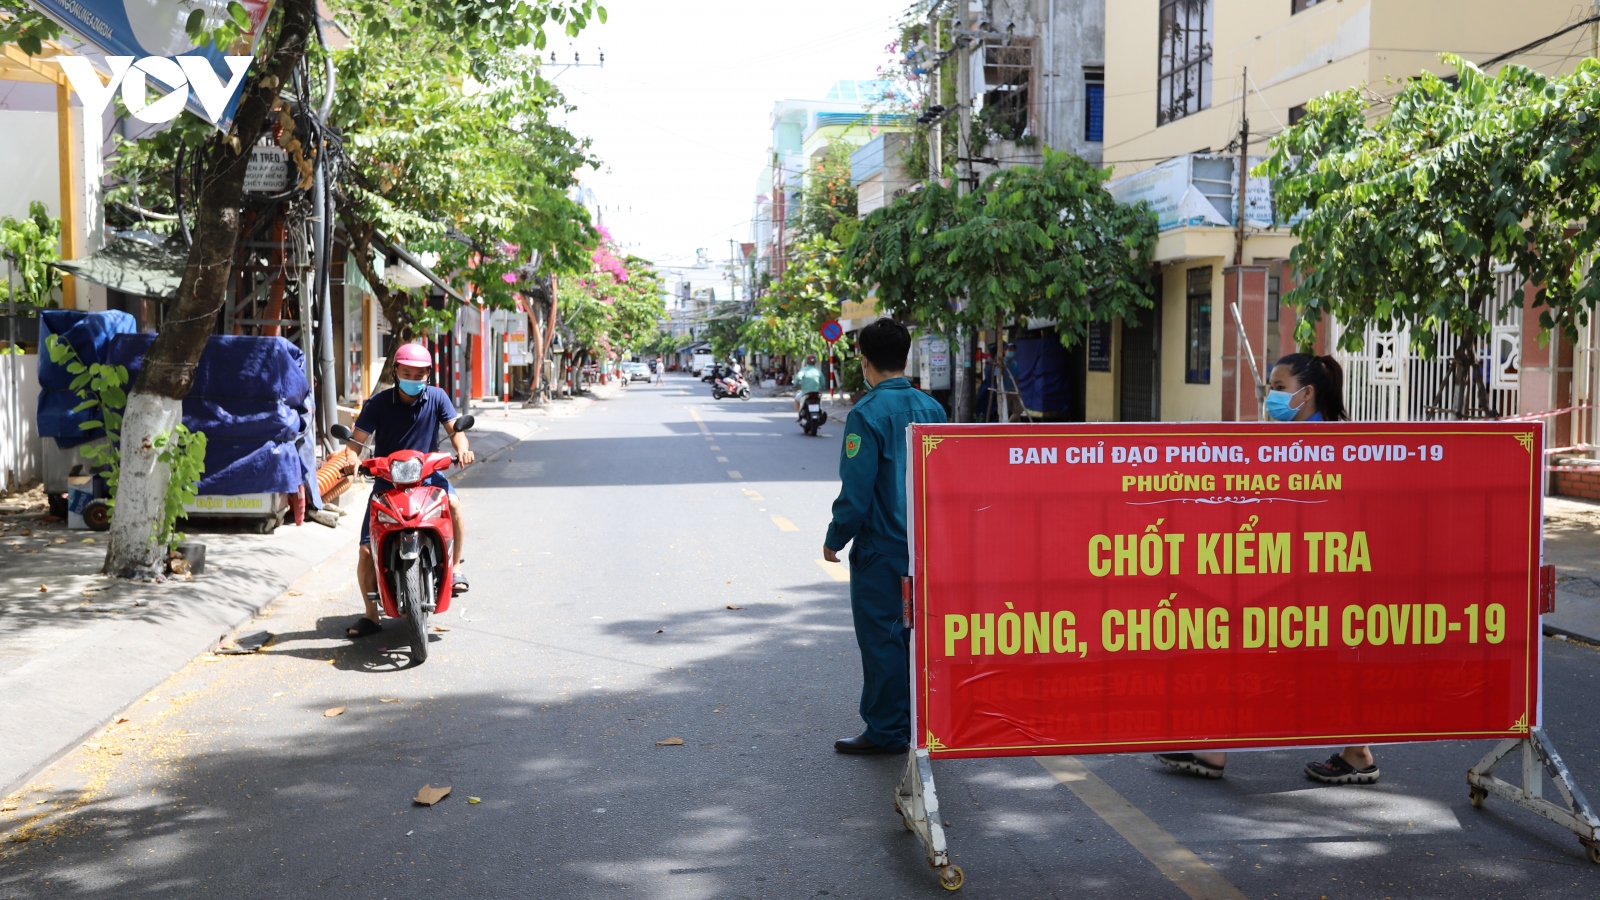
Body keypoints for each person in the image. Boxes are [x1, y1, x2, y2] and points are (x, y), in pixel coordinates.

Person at [1155, 353, 1377, 784]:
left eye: (1278, 388)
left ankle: (1214, 748)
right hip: (1300, 573)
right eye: (1269, 389)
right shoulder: (1301, 440)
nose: (1270, 398)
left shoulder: (1321, 445)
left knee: (1248, 649)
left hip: (1312, 576)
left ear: (1306, 393)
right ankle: (1355, 753)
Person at [823, 318, 948, 755]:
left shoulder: (865, 413)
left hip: (882, 550)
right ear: (907, 356)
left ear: (864, 359)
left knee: (883, 638)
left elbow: (856, 492)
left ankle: (887, 730)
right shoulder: (933, 409)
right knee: (922, 637)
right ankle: (922, 723)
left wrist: (835, 538)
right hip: (928, 548)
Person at [342, 342, 475, 639]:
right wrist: (352, 461)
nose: (413, 379)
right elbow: (355, 444)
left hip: (428, 476)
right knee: (365, 551)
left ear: (428, 374)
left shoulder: (437, 397)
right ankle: (371, 614)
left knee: (453, 504)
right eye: (407, 373)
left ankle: (453, 569)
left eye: (420, 374)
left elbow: (456, 433)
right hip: (388, 481)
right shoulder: (377, 404)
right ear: (396, 371)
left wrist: (463, 450)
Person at [794, 354, 824, 418]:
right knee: (820, 403)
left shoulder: (804, 370)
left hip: (805, 393)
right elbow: (823, 383)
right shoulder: (818, 371)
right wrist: (821, 387)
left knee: (796, 400)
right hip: (816, 393)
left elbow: (798, 377)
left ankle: (799, 415)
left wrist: (795, 384)